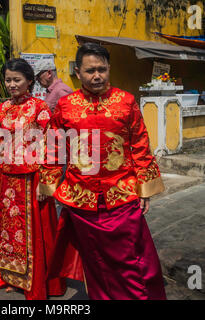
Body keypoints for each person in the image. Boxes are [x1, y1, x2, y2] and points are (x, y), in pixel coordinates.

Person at [39, 42, 167, 300]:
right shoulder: (65, 106)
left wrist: (145, 188)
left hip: (123, 195)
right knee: (95, 263)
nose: (96, 75)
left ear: (109, 69)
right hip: (81, 200)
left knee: (134, 261)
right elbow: (53, 147)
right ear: (78, 72)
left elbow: (140, 145)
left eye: (101, 69)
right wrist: (49, 186)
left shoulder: (126, 102)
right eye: (90, 70)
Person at [0, 58, 66, 300]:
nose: (11, 84)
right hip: (9, 181)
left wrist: (46, 180)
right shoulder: (2, 109)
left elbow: (50, 145)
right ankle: (12, 277)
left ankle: (38, 281)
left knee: (35, 233)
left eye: (17, 80)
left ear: (29, 81)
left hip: (32, 181)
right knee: (9, 232)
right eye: (8, 80)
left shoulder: (40, 108)